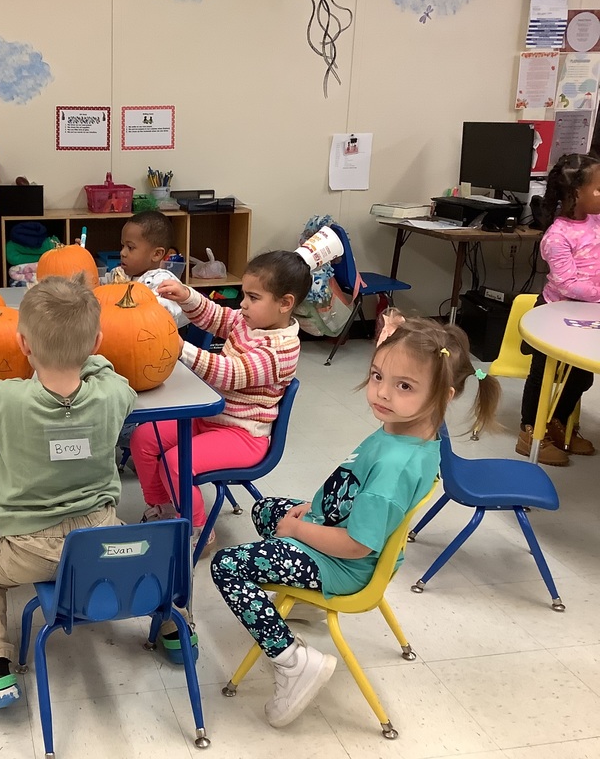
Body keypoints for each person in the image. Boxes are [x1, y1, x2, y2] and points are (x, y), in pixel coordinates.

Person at [209, 318, 500, 729]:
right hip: (333, 536)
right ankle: (307, 601)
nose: (381, 392)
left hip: (344, 564)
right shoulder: (406, 432)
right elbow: (354, 494)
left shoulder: (394, 467)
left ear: (442, 396)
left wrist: (298, 530)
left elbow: (357, 545)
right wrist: (313, 509)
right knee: (265, 510)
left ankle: (293, 661)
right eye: (378, 376)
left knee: (227, 565)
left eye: (404, 386)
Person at [0, 276, 137, 709]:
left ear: (22, 344)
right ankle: (174, 635)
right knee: (152, 550)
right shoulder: (112, 394)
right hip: (99, 536)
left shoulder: (6, 399)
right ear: (97, 341)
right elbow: (124, 387)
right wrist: (94, 363)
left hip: (29, 544)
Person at [129, 251, 312, 550]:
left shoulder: (282, 349)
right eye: (244, 295)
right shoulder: (248, 322)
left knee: (176, 464)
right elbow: (216, 317)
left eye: (253, 297)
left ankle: (198, 530)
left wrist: (179, 348)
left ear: (285, 303)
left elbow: (230, 374)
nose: (243, 304)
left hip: (243, 436)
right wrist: (187, 296)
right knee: (144, 437)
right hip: (211, 418)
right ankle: (163, 507)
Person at [516, 153, 600, 465]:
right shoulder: (557, 235)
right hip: (557, 314)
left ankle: (558, 424)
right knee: (543, 374)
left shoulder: (595, 221)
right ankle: (530, 433)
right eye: (598, 189)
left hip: (589, 316)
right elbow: (568, 285)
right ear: (576, 194)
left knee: (582, 376)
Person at [112, 210, 187, 327]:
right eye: (123, 246)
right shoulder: (120, 273)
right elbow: (96, 286)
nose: (122, 252)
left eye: (130, 247)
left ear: (156, 254)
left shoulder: (163, 283)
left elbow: (163, 315)